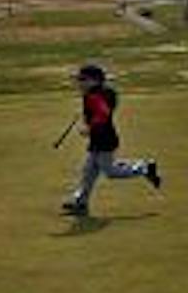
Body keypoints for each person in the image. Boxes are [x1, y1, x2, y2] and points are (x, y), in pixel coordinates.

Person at [60, 62, 163, 217]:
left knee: (110, 171)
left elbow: (103, 114)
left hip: (104, 139)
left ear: (94, 81)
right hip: (101, 138)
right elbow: (101, 109)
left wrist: (89, 128)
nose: (78, 83)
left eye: (82, 80)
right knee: (88, 171)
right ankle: (80, 202)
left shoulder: (94, 95)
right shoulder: (99, 93)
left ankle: (144, 168)